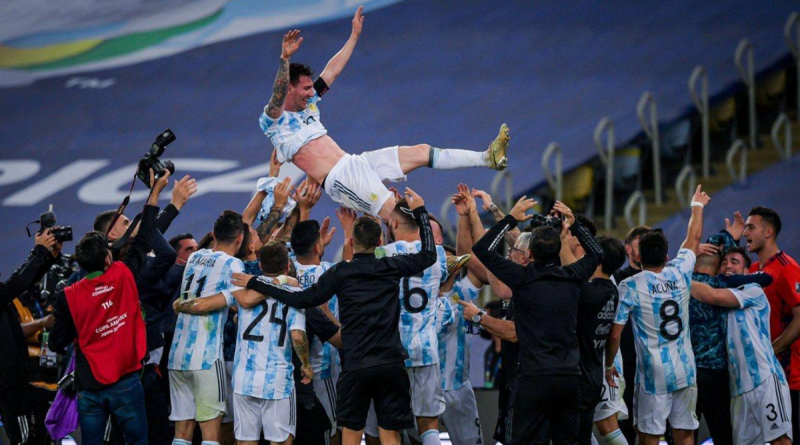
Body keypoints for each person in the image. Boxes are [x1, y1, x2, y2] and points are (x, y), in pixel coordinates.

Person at [259, 8, 510, 220]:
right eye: (305, 88)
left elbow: (332, 70)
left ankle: (487, 158)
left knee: (421, 152)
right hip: (340, 180)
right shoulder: (274, 121)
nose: (312, 91)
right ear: (290, 88)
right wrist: (284, 59)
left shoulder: (309, 103)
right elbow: (277, 94)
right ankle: (434, 258)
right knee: (397, 216)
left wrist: (354, 36)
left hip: (354, 162)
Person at [232, 188, 435, 445]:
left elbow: (301, 299)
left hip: (355, 365)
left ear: (351, 242)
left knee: (350, 434)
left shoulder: (340, 273)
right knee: (390, 434)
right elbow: (429, 255)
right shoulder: (390, 266)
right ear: (380, 243)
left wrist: (257, 283)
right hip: (390, 364)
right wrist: (420, 212)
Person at [48, 169, 170, 445]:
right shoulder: (123, 274)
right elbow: (144, 237)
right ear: (106, 257)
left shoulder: (68, 295)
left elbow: (57, 343)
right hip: (126, 383)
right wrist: (155, 191)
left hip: (89, 388)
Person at [470, 195, 603, 445]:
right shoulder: (573, 276)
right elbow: (597, 252)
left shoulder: (522, 277)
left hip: (533, 377)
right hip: (568, 377)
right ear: (558, 251)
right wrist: (574, 224)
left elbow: (481, 249)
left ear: (529, 254)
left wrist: (510, 217)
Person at [605, 185, 711, 445]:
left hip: (653, 375)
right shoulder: (680, 270)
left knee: (649, 437)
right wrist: (697, 206)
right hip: (685, 369)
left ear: (638, 256)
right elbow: (693, 240)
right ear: (666, 254)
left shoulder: (630, 285)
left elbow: (615, 334)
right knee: (685, 434)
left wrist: (608, 365)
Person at [691, 247, 791, 445]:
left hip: (764, 380)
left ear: (747, 272)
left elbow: (710, 295)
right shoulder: (722, 303)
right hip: (738, 390)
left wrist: (677, 276)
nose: (728, 265)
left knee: (780, 441)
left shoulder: (752, 290)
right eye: (725, 262)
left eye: (735, 261)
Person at [167, 210, 250, 445]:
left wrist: (181, 305)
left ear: (214, 234)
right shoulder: (234, 264)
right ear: (240, 239)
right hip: (205, 358)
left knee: (182, 432)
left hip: (177, 356)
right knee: (210, 435)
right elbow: (211, 303)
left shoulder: (195, 257)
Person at [374, 198, 450, 445]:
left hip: (393, 351)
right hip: (426, 349)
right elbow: (443, 282)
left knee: (391, 423)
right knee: (428, 421)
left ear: (393, 222)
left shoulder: (382, 255)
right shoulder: (438, 254)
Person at [229, 241, 311, 445]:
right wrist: (307, 365)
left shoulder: (246, 288)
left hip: (244, 380)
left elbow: (240, 317)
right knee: (281, 442)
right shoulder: (294, 292)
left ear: (261, 265)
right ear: (287, 267)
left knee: (245, 442)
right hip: (277, 381)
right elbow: (298, 335)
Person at [0, 229, 62, 445]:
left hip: (14, 379)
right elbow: (15, 285)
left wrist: (48, 257)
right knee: (24, 440)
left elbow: (20, 284)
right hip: (9, 382)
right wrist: (39, 251)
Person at [744, 206, 800, 441]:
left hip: (790, 376)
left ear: (768, 232)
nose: (745, 232)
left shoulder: (788, 269)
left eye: (750, 227)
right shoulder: (755, 270)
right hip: (764, 375)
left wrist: (773, 349)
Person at [290, 219, 341, 444]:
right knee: (332, 428)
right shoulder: (330, 271)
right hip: (323, 368)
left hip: (291, 370)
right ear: (318, 247)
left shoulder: (287, 269)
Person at [611, 225, 649, 445]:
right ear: (627, 249)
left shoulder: (663, 278)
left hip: (654, 365)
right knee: (625, 426)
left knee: (652, 427)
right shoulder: (617, 279)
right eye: (640, 242)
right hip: (627, 365)